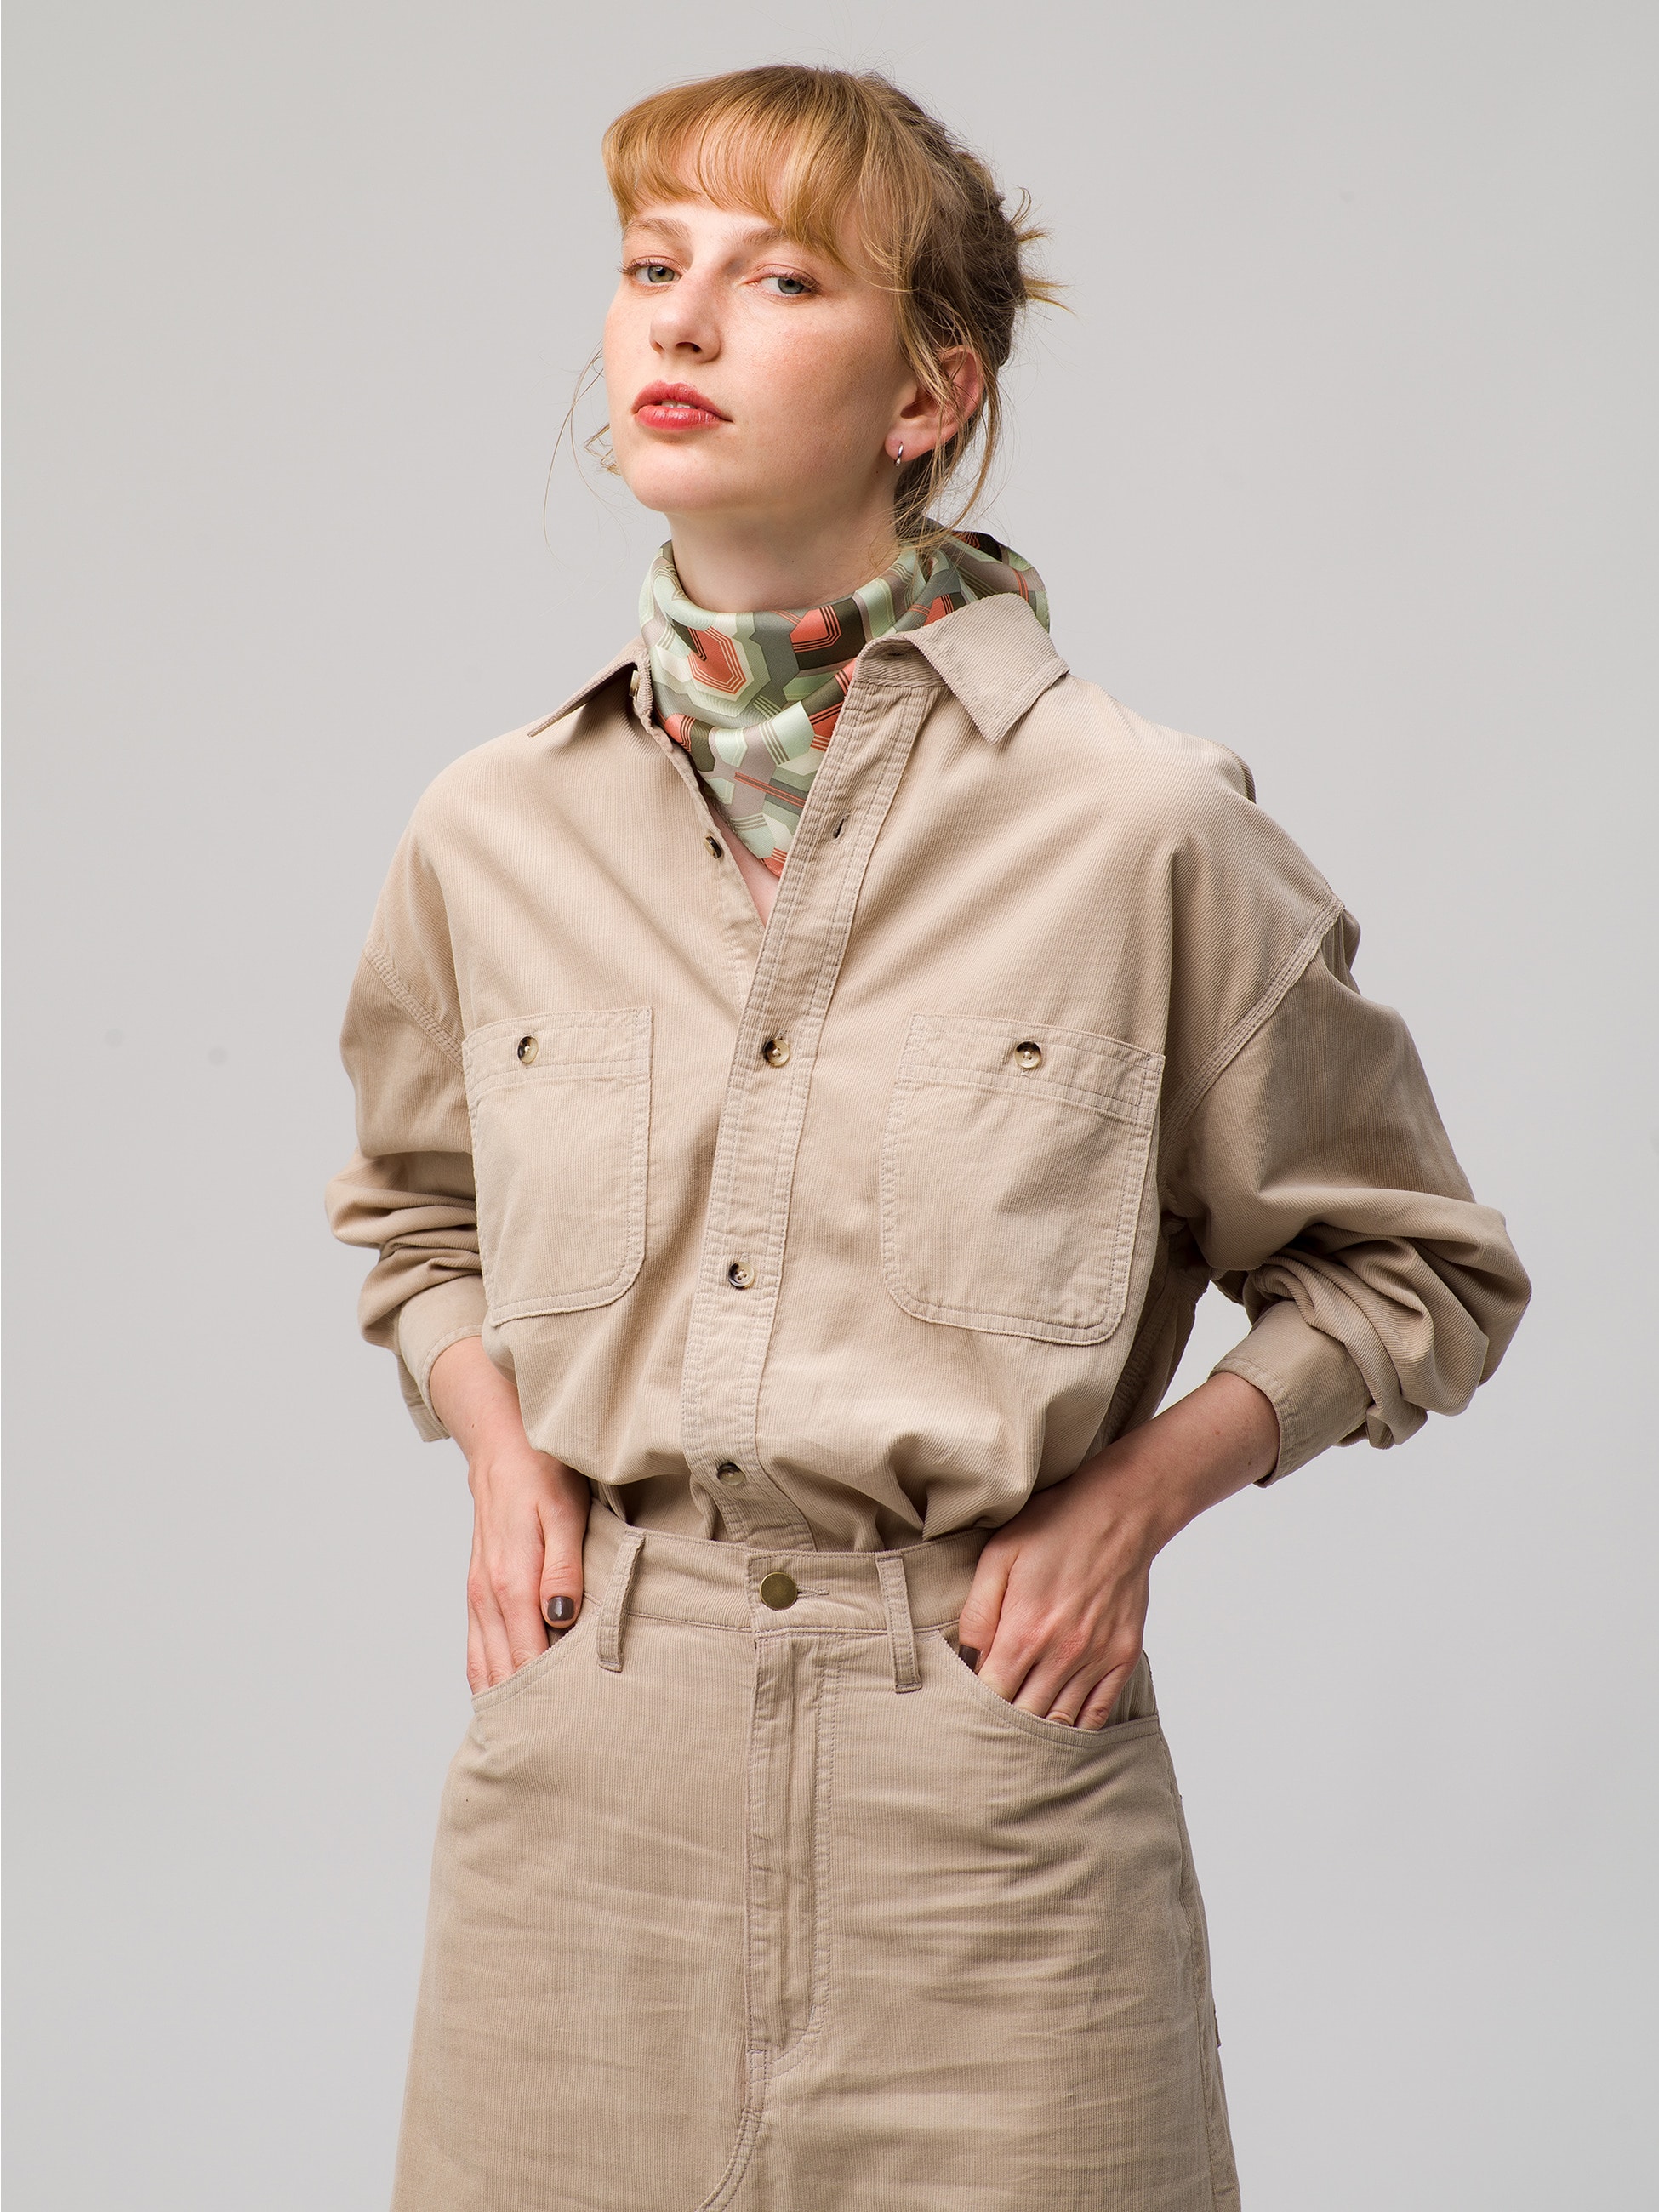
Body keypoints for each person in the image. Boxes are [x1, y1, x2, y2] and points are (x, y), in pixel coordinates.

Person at [327, 64, 1529, 2212]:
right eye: (651, 263)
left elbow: (1416, 1265)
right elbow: (419, 1215)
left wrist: (1141, 1499)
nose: (683, 320)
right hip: (584, 1803)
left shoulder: (1142, 828)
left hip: (989, 1818)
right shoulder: (491, 828)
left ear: (926, 391)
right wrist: (501, 1446)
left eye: (783, 278)